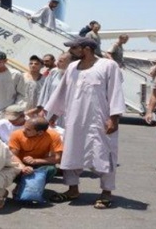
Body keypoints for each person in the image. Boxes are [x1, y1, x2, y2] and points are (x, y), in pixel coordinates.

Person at [44, 37, 125, 209]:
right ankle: (73, 189)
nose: (70, 51)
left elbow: (116, 92)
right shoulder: (72, 67)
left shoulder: (108, 66)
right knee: (71, 152)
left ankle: (106, 192)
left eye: (73, 48)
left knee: (104, 154)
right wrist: (54, 114)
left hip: (100, 120)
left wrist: (114, 118)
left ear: (86, 48)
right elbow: (62, 92)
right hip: (74, 119)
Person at [9, 117, 63, 195]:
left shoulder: (53, 136)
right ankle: (21, 185)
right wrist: (23, 167)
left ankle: (36, 185)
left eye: (28, 130)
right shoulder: (16, 134)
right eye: (24, 127)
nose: (24, 130)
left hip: (39, 164)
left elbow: (57, 158)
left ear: (40, 132)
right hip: (20, 164)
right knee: (8, 167)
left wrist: (35, 161)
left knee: (51, 169)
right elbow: (12, 155)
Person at [32, 53, 72, 129]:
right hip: (48, 110)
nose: (57, 63)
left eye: (61, 61)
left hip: (63, 114)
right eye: (58, 60)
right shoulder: (54, 72)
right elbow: (45, 92)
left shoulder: (74, 78)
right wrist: (43, 109)